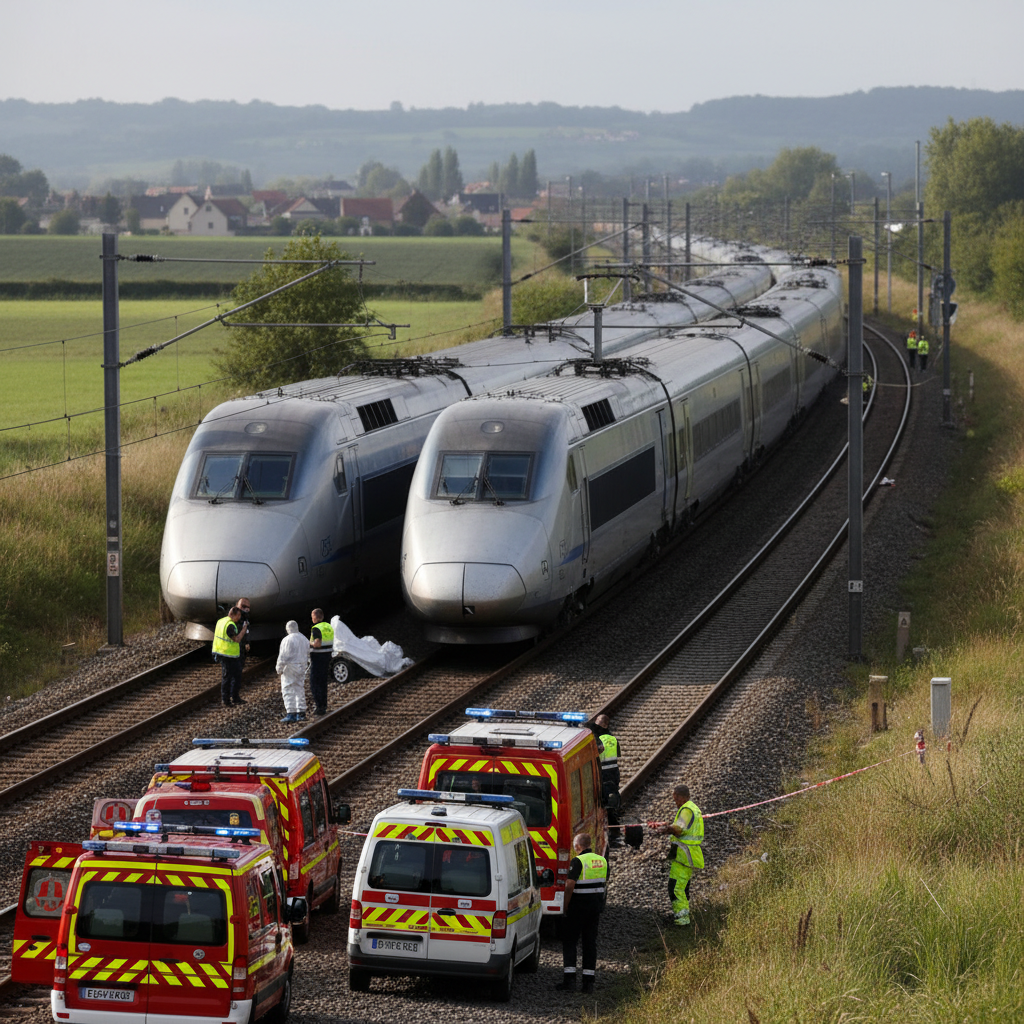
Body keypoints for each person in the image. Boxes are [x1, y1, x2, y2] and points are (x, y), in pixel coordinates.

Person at [555, 832, 607, 993]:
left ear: (578, 846)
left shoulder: (578, 861)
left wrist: (565, 906)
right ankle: (588, 983)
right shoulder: (602, 861)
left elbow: (570, 885)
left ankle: (570, 981)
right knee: (589, 944)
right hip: (595, 909)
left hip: (578, 908)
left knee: (570, 941)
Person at [661, 783, 703, 926]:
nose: (675, 803)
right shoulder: (694, 808)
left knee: (676, 888)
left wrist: (666, 829)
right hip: (684, 855)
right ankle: (682, 916)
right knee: (682, 887)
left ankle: (682, 921)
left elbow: (678, 829)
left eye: (676, 799)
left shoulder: (687, 810)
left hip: (684, 856)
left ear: (682, 797)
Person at [592, 714, 622, 843]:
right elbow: (617, 756)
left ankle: (612, 833)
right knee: (610, 803)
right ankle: (613, 832)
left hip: (601, 775)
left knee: (602, 803)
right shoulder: (613, 739)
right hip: (613, 775)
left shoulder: (595, 738)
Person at [212, 606, 247, 708]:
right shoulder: (230, 625)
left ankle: (235, 698)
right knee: (227, 677)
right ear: (234, 615)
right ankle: (226, 700)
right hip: (226, 655)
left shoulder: (221, 621)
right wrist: (244, 629)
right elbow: (237, 639)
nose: (239, 618)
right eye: (238, 616)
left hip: (226, 653)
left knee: (236, 676)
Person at [276, 620, 308, 723]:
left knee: (288, 689)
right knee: (299, 689)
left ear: (288, 629)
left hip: (290, 668)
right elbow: (309, 653)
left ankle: (291, 713)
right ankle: (301, 713)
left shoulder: (287, 640)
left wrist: (279, 668)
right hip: (302, 666)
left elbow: (283, 656)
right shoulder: (304, 639)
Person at [308, 608, 334, 717]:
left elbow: (317, 643)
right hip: (327, 656)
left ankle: (319, 707)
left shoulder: (316, 628)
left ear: (315, 617)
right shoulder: (328, 626)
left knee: (314, 682)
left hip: (318, 657)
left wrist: (309, 644)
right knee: (323, 682)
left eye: (312, 616)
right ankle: (323, 705)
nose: (312, 618)